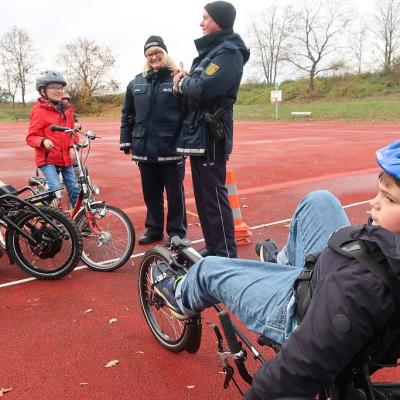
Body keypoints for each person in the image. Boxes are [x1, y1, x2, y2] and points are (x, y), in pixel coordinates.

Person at [150, 140, 400, 399]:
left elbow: (301, 365)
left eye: (390, 199)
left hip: (301, 309)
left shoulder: (358, 289)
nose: (374, 202)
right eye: (380, 192)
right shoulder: (380, 258)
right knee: (319, 201)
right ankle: (280, 263)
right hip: (329, 274)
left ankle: (178, 295)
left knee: (207, 270)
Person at [172, 1, 250, 258]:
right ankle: (214, 246)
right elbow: (196, 88)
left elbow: (203, 88)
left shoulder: (227, 53)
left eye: (205, 17)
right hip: (200, 131)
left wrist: (183, 81)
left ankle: (225, 252)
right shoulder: (213, 53)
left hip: (212, 131)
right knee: (204, 197)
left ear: (219, 20)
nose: (201, 22)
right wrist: (185, 83)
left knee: (214, 196)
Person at [120, 36, 187, 246]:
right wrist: (126, 140)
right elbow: (127, 114)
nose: (153, 57)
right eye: (149, 54)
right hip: (144, 149)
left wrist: (186, 143)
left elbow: (187, 113)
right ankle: (154, 229)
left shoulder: (177, 79)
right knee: (151, 194)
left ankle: (176, 232)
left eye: (157, 52)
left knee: (175, 195)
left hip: (171, 148)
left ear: (165, 54)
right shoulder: (136, 82)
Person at [26, 70, 80, 209]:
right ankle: (48, 215)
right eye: (54, 88)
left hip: (65, 157)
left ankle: (78, 221)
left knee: (74, 189)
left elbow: (68, 132)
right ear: (43, 91)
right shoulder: (39, 111)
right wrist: (43, 141)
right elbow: (31, 137)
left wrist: (71, 146)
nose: (59, 91)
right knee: (55, 189)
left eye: (61, 88)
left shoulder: (66, 109)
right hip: (47, 158)